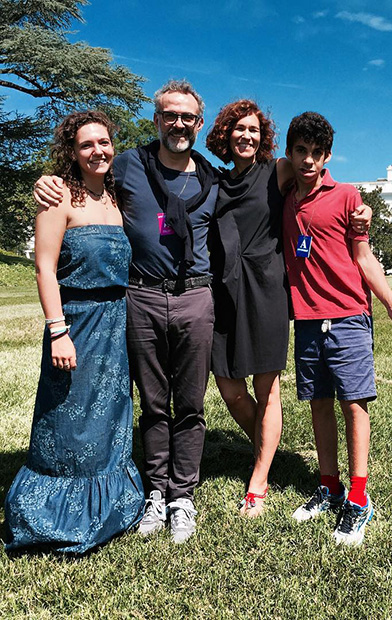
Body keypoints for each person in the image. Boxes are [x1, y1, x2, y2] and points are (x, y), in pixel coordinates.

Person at [33, 80, 219, 544]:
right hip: (142, 299)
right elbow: (78, 186)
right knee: (153, 403)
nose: (179, 124)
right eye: (169, 116)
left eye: (188, 117)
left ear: (199, 123)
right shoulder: (129, 164)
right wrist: (47, 182)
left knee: (190, 403)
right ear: (156, 120)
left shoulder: (214, 178)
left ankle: (183, 496)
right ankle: (156, 492)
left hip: (195, 297)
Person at [205, 100, 372, 516]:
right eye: (238, 129)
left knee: (270, 389)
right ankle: (268, 447)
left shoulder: (276, 170)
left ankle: (259, 479)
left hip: (267, 290)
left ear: (264, 138)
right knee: (228, 386)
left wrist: (360, 210)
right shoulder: (213, 179)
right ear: (225, 134)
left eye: (254, 130)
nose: (246, 136)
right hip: (225, 289)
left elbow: (318, 181)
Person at [5, 111, 144, 554]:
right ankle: (53, 514)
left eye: (104, 143)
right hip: (75, 322)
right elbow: (44, 268)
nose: (98, 151)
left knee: (109, 418)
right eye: (87, 145)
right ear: (73, 152)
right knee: (67, 417)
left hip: (116, 322)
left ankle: (110, 507)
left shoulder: (117, 196)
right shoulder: (58, 195)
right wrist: (57, 330)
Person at [282, 112, 392, 546]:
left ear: (327, 156)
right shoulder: (285, 195)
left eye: (316, 153)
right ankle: (329, 487)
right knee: (318, 403)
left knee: (353, 405)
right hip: (305, 319)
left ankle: (358, 499)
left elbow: (364, 259)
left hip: (347, 315)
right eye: (300, 151)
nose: (307, 161)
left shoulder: (346, 196)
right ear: (290, 153)